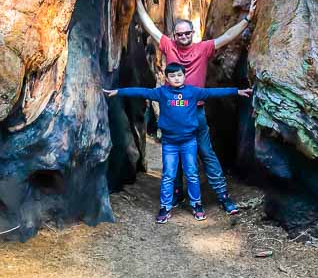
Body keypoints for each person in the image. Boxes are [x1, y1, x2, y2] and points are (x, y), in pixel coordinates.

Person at [132, 0, 257, 215]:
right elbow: (150, 27)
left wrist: (247, 19)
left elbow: (227, 36)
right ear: (174, 36)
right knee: (175, 156)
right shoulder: (168, 46)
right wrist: (139, 3)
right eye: (179, 34)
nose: (183, 37)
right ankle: (177, 194)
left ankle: (223, 196)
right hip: (172, 111)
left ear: (192, 33)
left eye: (186, 33)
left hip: (196, 112)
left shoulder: (203, 49)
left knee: (207, 154)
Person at [103, 63, 252, 223]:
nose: (176, 78)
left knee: (192, 173)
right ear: (166, 78)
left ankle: (196, 204)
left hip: (189, 142)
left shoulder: (192, 92)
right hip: (170, 144)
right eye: (172, 76)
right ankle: (165, 207)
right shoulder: (162, 93)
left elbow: (213, 92)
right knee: (168, 175)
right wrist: (118, 91)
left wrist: (237, 91)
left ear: (184, 76)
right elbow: (140, 91)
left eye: (179, 75)